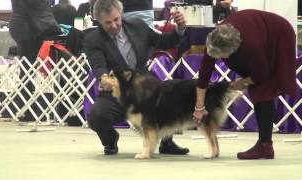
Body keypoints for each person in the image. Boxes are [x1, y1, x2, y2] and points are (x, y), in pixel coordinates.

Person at [83, 0, 189, 155]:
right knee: (96, 116)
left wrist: (180, 28)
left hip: (143, 89)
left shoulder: (137, 25)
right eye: (107, 23)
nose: (113, 25)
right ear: (98, 21)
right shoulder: (93, 39)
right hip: (117, 94)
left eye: (116, 20)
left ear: (121, 14)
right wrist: (103, 78)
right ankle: (110, 139)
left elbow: (163, 42)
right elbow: (98, 65)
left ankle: (167, 142)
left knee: (167, 94)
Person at [194, 9, 297, 160]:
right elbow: (204, 75)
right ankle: (265, 145)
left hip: (279, 33)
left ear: (233, 50)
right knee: (259, 89)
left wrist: (243, 82)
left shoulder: (251, 45)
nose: (219, 59)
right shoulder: (214, 39)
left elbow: (262, 74)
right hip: (256, 28)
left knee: (263, 89)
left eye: (222, 57)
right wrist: (199, 106)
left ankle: (265, 145)